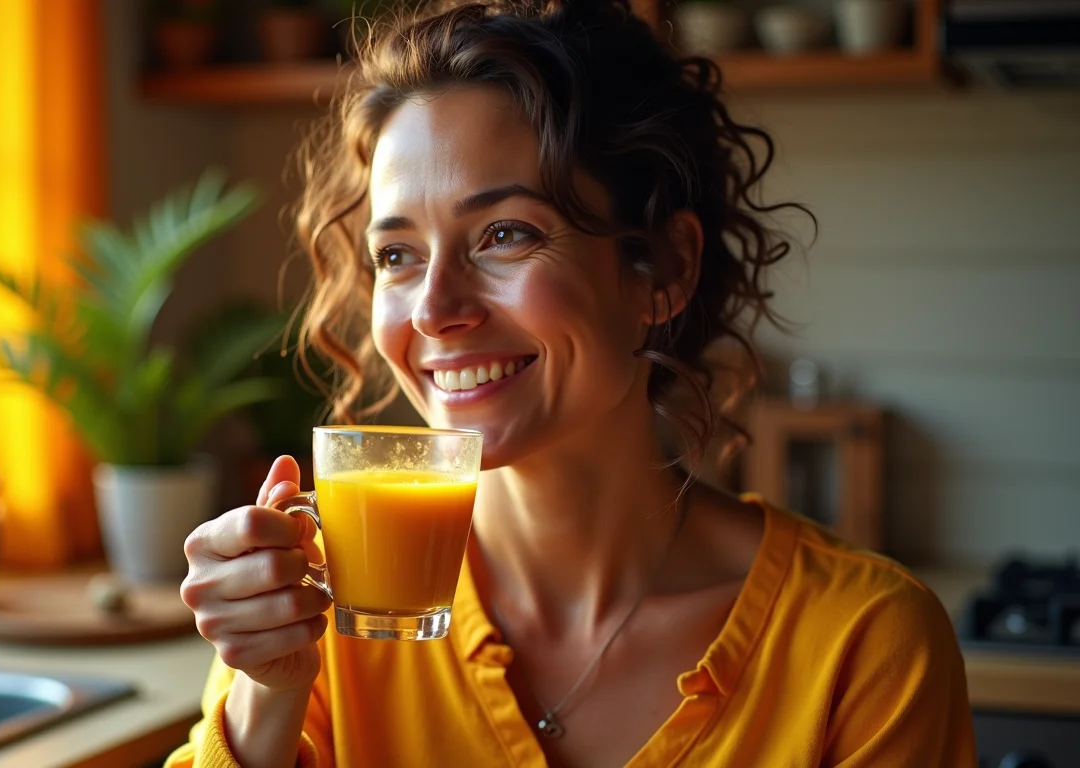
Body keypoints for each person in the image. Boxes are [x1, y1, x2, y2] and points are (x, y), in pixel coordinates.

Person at [167, 2, 976, 766]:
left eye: (505, 234)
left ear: (663, 269)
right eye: (398, 255)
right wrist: (264, 700)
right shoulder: (329, 619)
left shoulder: (863, 645)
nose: (436, 310)